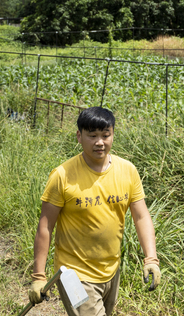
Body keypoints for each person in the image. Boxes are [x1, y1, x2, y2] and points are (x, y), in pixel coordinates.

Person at [28, 106, 160, 316]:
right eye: (92, 135)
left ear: (113, 135)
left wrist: (151, 259)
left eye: (106, 135)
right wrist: (38, 277)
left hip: (110, 270)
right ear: (79, 136)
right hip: (73, 274)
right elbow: (45, 226)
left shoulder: (127, 171)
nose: (100, 142)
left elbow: (141, 217)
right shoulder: (62, 176)